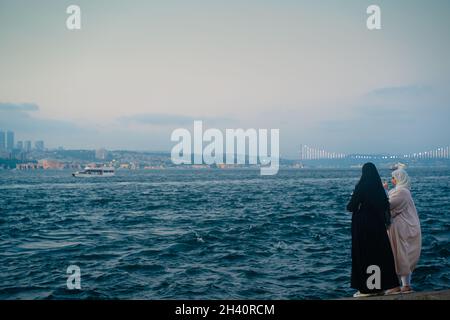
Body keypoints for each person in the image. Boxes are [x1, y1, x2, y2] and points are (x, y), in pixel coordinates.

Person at [347, 163, 399, 297]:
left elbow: (351, 206)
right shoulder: (379, 188)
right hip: (378, 226)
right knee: (378, 255)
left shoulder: (362, 186)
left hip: (363, 226)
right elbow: (384, 206)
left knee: (364, 255)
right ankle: (378, 287)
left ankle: (367, 289)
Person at [384, 169, 422, 294]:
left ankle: (405, 285)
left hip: (402, 228)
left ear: (399, 178)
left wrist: (382, 190)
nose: (392, 180)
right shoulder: (401, 191)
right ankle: (403, 285)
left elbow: (388, 205)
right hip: (402, 227)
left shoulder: (402, 192)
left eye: (394, 178)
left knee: (401, 255)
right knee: (400, 255)